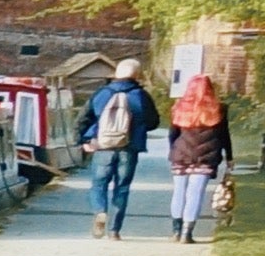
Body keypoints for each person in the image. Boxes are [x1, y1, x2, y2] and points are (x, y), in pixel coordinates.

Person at [79, 59, 158, 238]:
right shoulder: (141, 95)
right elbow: (153, 122)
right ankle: (114, 230)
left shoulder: (101, 93)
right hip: (129, 148)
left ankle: (100, 211)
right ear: (136, 75)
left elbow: (83, 118)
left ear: (116, 74)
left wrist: (82, 140)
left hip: (103, 147)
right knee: (121, 188)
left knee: (99, 184)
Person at [165, 68, 234, 245]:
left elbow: (173, 134)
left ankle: (176, 230)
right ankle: (187, 233)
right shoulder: (219, 109)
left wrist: (173, 150)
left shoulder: (179, 107)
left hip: (180, 155)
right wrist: (229, 156)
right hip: (206, 156)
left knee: (179, 192)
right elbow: (224, 135)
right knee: (195, 193)